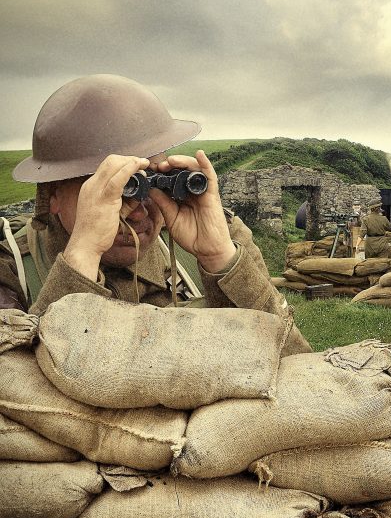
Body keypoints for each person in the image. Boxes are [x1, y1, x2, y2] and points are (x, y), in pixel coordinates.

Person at [0, 74, 311, 355]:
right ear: (52, 194)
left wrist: (219, 258)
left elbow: (298, 365)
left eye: (144, 183)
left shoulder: (224, 237)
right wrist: (82, 255)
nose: (135, 215)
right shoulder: (12, 269)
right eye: (110, 189)